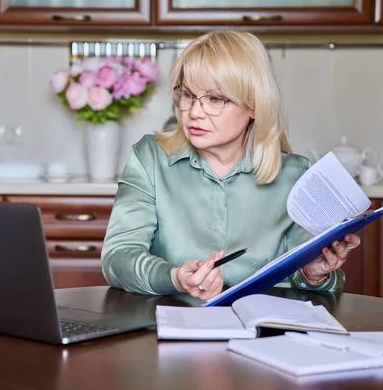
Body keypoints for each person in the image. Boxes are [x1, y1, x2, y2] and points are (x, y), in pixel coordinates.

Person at [101, 29, 360, 301]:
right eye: (187, 95)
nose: (194, 112)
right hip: (170, 326)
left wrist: (313, 273)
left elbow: (303, 277)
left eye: (215, 99)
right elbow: (117, 259)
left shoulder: (295, 174)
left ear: (254, 107)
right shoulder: (150, 158)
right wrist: (174, 276)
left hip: (264, 334)